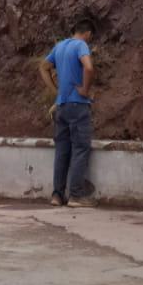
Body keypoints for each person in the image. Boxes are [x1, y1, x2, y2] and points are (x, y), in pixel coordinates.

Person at [38, 15, 95, 207]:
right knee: (80, 148)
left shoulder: (60, 46)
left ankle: (57, 195)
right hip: (78, 105)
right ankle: (76, 196)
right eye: (90, 36)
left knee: (62, 150)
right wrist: (85, 90)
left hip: (61, 107)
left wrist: (56, 91)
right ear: (87, 34)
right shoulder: (81, 45)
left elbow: (43, 67)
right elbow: (88, 67)